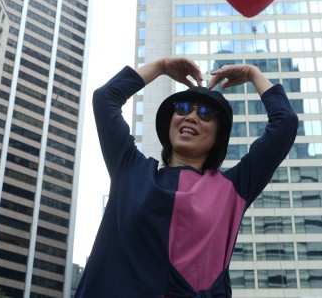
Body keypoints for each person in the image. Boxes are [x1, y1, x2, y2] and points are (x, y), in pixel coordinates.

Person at [74, 57, 299, 297]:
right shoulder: (130, 171)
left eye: (205, 113)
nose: (191, 116)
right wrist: (160, 67)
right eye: (182, 108)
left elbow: (285, 123)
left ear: (218, 137)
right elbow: (105, 98)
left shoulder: (232, 189)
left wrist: (252, 72)